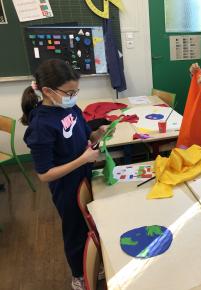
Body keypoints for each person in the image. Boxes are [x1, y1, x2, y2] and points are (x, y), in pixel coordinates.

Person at [21, 59, 111, 290]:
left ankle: (91, 260)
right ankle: (79, 274)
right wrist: (82, 159)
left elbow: (82, 136)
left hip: (84, 175)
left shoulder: (69, 107)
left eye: (76, 91)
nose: (74, 96)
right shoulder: (41, 125)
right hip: (66, 188)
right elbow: (44, 174)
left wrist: (96, 135)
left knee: (91, 224)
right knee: (75, 230)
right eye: (70, 92)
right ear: (48, 91)